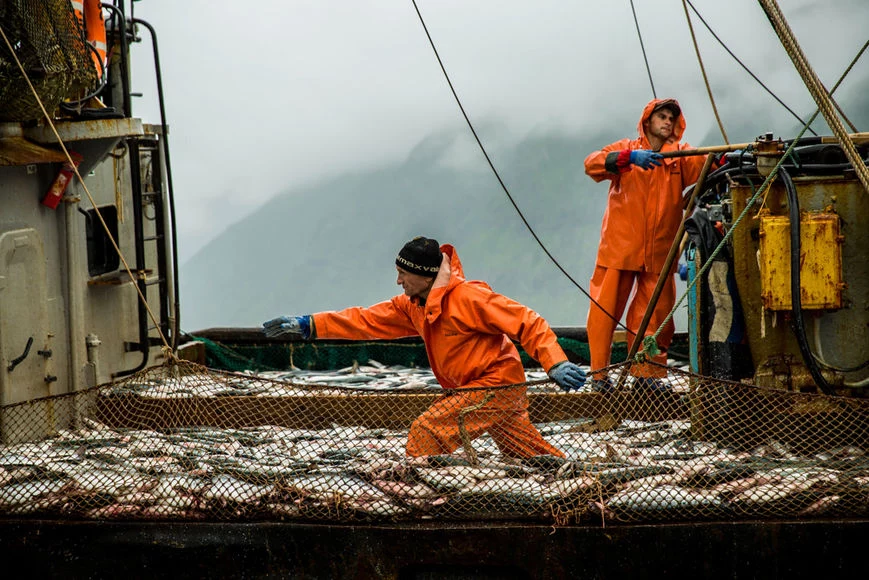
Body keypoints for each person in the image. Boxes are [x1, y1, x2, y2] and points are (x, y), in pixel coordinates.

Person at [263, 236, 586, 459]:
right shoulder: (413, 306)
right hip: (475, 389)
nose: (398, 281)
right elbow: (363, 320)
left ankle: (426, 501)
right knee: (530, 455)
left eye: (403, 274)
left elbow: (527, 322)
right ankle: (578, 477)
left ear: (423, 274)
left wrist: (554, 362)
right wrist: (310, 325)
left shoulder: (469, 298)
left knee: (427, 430)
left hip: (495, 386)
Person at [583, 98, 709, 392]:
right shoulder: (625, 149)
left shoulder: (679, 155)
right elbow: (592, 164)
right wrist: (629, 158)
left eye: (671, 118)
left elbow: (706, 164)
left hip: (659, 251)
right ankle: (599, 377)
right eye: (661, 116)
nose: (667, 122)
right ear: (648, 121)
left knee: (656, 314)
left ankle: (646, 376)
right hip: (620, 248)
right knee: (605, 312)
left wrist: (729, 157)